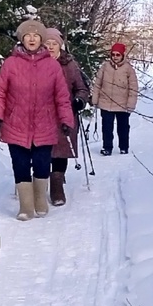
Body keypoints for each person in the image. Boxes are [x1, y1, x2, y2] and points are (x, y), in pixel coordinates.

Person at [0, 19, 75, 220]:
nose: (32, 38)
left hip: (44, 124)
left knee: (42, 164)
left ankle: (40, 200)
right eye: (28, 35)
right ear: (22, 38)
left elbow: (62, 96)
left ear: (42, 39)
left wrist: (65, 120)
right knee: (20, 164)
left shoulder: (52, 66)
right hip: (15, 123)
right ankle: (26, 206)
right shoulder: (10, 64)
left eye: (36, 35)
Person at [44, 28, 89, 206]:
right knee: (43, 150)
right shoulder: (36, 63)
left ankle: (57, 184)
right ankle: (40, 182)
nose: (50, 47)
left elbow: (82, 88)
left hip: (65, 113)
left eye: (54, 44)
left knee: (61, 149)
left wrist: (79, 100)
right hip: (42, 115)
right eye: (47, 44)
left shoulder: (69, 64)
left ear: (60, 46)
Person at [91, 42, 139, 155]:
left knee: (123, 128)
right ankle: (107, 148)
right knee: (107, 128)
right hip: (106, 103)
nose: (115, 57)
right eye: (113, 54)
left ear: (122, 55)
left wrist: (130, 104)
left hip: (122, 104)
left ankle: (124, 147)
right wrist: (95, 99)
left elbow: (133, 88)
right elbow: (97, 84)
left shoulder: (128, 69)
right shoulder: (105, 67)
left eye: (118, 55)